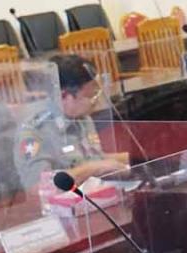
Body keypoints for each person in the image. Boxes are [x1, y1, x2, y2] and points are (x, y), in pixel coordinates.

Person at [13, 54, 129, 189]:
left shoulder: (81, 118)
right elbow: (38, 187)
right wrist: (92, 169)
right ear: (63, 95)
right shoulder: (34, 132)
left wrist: (134, 159)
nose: (96, 101)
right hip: (64, 201)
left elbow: (93, 158)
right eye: (90, 96)